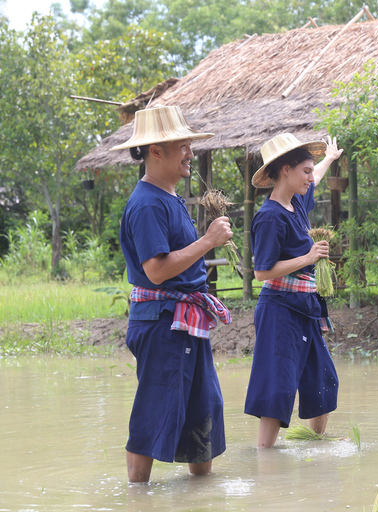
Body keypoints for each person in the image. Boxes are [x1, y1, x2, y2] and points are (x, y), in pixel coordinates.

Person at [112, 105, 233, 482]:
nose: (190, 154)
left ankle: (202, 495)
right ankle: (137, 499)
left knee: (204, 408)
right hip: (164, 322)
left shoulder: (168, 198)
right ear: (156, 151)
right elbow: (158, 270)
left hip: (185, 321)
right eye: (181, 145)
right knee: (155, 409)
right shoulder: (147, 203)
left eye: (189, 145)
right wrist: (208, 241)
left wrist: (203, 242)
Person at [245, 132, 343, 448]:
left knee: (324, 381)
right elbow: (261, 271)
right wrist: (308, 256)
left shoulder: (296, 203)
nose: (310, 177)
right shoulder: (270, 217)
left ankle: (315, 448)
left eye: (311, 170)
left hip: (305, 307)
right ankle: (265, 458)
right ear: (285, 170)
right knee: (277, 387)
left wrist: (329, 158)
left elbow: (315, 180)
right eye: (305, 170)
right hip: (279, 308)